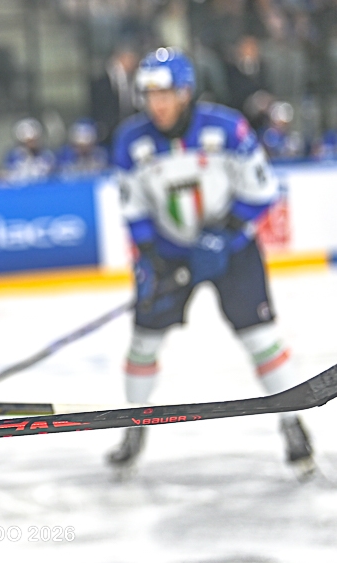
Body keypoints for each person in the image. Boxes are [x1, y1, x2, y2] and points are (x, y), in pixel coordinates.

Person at [109, 48, 314, 478]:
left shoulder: (228, 128)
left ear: (185, 92)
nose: (156, 104)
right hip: (167, 254)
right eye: (148, 94)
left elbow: (262, 191)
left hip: (233, 250)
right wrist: (152, 258)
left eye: (164, 93)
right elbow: (134, 209)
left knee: (260, 338)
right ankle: (134, 427)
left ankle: (292, 422)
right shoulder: (131, 140)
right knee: (143, 344)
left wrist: (226, 235)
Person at [4, 116, 55, 182]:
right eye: (29, 141)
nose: (32, 144)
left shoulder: (47, 155)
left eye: (34, 140)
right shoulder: (14, 156)